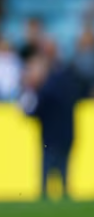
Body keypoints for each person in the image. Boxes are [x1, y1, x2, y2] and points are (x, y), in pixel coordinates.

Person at [18, 53, 80, 200]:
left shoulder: (46, 89)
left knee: (46, 179)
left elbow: (33, 112)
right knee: (63, 175)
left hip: (51, 139)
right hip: (67, 136)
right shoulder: (62, 83)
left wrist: (29, 90)